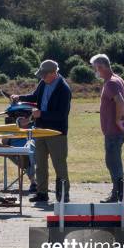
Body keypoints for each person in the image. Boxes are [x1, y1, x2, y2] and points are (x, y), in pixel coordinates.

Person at [11, 60, 72, 203]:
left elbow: (61, 115)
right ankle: (42, 193)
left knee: (59, 165)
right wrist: (19, 97)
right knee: (40, 163)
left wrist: (41, 114)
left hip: (56, 133)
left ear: (53, 73)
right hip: (40, 130)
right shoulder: (43, 83)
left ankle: (63, 195)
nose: (42, 78)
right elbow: (34, 96)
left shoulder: (64, 89)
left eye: (44, 75)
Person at [90, 54, 124, 202]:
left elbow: (120, 102)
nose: (95, 72)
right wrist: (123, 119)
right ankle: (118, 193)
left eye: (95, 68)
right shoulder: (118, 79)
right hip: (115, 131)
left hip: (113, 131)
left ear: (101, 67)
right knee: (114, 161)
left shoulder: (111, 83)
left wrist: (118, 120)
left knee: (113, 163)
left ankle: (117, 195)